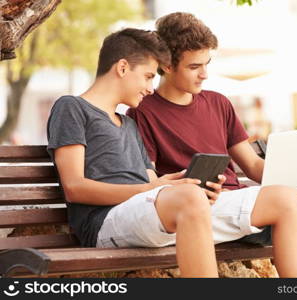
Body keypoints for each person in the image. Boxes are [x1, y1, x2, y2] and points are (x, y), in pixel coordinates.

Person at [127, 12, 297, 278]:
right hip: (206, 215)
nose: (205, 74)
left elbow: (252, 165)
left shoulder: (218, 103)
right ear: (167, 66)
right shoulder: (143, 112)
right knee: (285, 202)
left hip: (249, 208)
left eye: (207, 63)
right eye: (194, 67)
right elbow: (152, 185)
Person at [46, 28, 229, 278]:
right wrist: (151, 191)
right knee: (189, 198)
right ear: (122, 68)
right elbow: (74, 187)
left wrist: (173, 184)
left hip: (140, 211)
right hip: (103, 222)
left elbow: (150, 183)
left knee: (195, 194)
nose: (151, 88)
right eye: (148, 76)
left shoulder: (129, 124)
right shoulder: (71, 108)